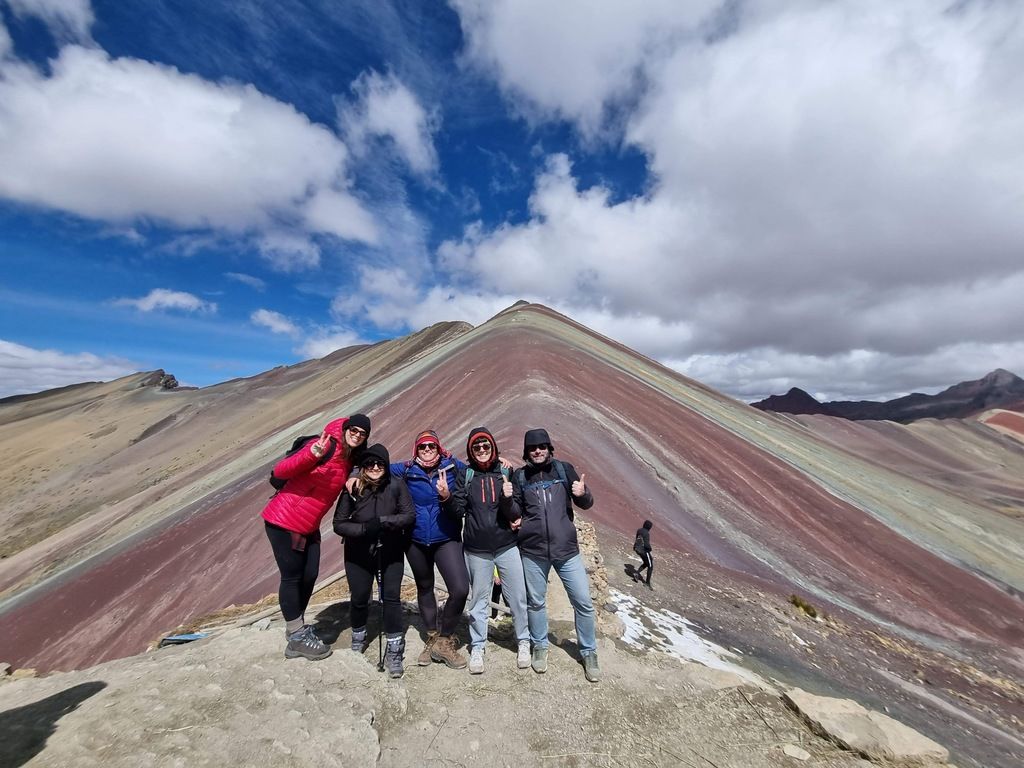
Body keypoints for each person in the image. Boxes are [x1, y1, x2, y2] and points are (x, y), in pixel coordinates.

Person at [262, 413, 370, 660]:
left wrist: (353, 476)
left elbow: (358, 466)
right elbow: (281, 470)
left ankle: (296, 627)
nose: (357, 435)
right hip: (284, 518)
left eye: (362, 433)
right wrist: (313, 454)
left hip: (309, 525)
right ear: (345, 429)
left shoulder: (348, 457)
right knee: (292, 577)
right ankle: (297, 636)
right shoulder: (323, 444)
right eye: (353, 430)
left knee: (310, 575)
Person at [512, 428, 600, 682]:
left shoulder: (564, 470)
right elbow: (514, 510)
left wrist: (584, 493)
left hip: (566, 550)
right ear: (526, 452)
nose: (537, 451)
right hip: (533, 550)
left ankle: (589, 651)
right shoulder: (520, 477)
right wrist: (508, 503)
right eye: (532, 447)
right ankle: (540, 645)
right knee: (536, 602)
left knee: (583, 601)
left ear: (550, 448)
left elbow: (585, 503)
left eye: (542, 446)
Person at [449, 427, 530, 674]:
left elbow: (515, 514)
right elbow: (458, 510)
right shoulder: (467, 474)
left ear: (493, 447)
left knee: (517, 596)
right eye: (477, 447)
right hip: (476, 549)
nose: (482, 450)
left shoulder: (506, 472)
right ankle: (477, 645)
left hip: (507, 545)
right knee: (478, 601)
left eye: (486, 446)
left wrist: (508, 499)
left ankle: (524, 641)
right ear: (471, 451)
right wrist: (445, 497)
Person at [332, 444, 415, 678]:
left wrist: (384, 522)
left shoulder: (397, 486)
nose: (375, 467)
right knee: (359, 597)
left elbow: (409, 516)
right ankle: (358, 636)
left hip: (390, 551)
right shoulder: (353, 488)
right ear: (363, 467)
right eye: (370, 463)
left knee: (391, 598)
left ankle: (394, 647)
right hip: (358, 552)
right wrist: (365, 529)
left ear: (386, 466)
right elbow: (339, 523)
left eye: (380, 464)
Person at [392, 430, 470, 669]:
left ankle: (445, 639)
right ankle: (433, 636)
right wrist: (354, 473)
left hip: (446, 538)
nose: (427, 450)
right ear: (416, 450)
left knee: (459, 589)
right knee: (424, 587)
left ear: (439, 448)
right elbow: (375, 466)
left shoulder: (452, 467)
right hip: (415, 541)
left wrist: (503, 464)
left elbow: (478, 468)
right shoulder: (405, 470)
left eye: (432, 447)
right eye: (423, 447)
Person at [634, 520, 654, 589]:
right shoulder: (647, 533)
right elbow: (646, 545)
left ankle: (636, 573)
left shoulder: (639, 530)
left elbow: (638, 539)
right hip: (644, 551)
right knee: (650, 566)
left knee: (646, 563)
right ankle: (647, 583)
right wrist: (650, 549)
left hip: (637, 549)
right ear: (649, 527)